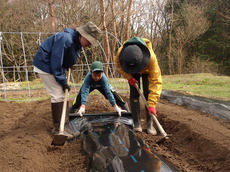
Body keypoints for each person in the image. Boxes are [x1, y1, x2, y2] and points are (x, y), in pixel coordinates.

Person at [32, 22, 101, 140]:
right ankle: (59, 129)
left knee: (65, 94)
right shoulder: (65, 38)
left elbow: (68, 59)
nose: (89, 44)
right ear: (83, 35)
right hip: (46, 66)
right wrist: (62, 80)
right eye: (89, 41)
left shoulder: (76, 43)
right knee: (58, 94)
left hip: (55, 68)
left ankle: (65, 125)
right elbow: (56, 60)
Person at [115, 37, 162, 135]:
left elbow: (156, 81)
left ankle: (150, 124)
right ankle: (136, 123)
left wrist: (152, 104)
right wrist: (129, 77)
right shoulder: (120, 54)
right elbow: (119, 66)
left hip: (146, 70)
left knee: (148, 92)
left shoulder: (151, 58)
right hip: (131, 70)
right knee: (134, 94)